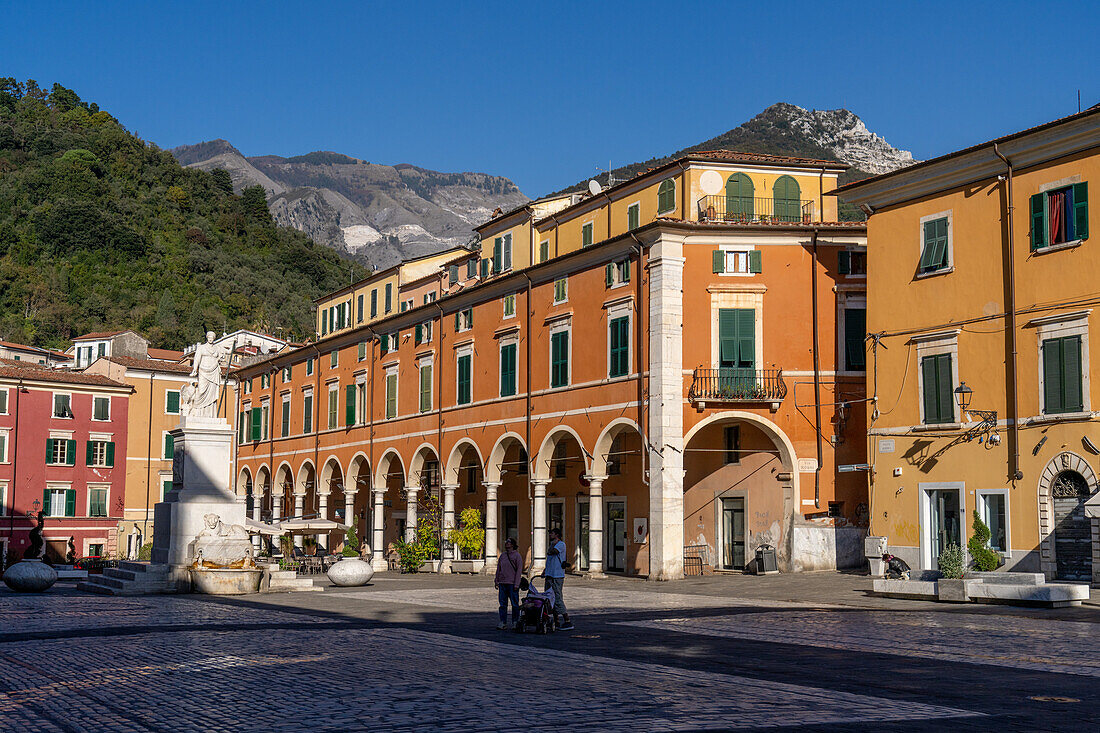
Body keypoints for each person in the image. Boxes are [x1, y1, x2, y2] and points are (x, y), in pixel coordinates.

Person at [544, 527, 573, 630]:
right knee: (549, 598)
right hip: (549, 574)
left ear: (556, 534)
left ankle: (567, 621)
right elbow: (549, 559)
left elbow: (552, 552)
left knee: (557, 598)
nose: (549, 535)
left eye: (551, 533)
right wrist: (545, 571)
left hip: (557, 575)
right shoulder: (553, 544)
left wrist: (552, 544)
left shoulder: (561, 544)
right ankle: (556, 621)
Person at [495, 537, 524, 630]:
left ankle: (515, 622)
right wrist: (496, 580)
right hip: (503, 582)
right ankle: (503, 622)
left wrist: (517, 584)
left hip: (512, 583)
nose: (506, 543)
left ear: (512, 544)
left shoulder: (517, 556)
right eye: (506, 542)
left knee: (514, 604)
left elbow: (519, 571)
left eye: (508, 542)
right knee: (502, 604)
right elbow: (498, 569)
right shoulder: (503, 556)